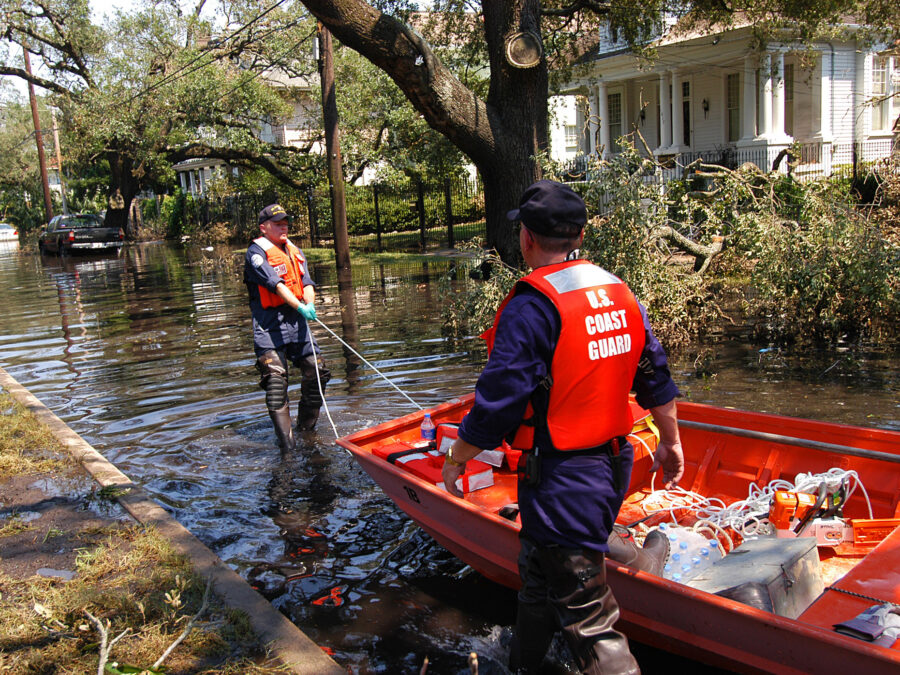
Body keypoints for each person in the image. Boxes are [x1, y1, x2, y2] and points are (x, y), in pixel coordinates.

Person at [442, 180, 684, 675]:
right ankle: (524, 667)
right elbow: (654, 374)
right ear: (578, 234)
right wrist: (672, 442)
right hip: (611, 461)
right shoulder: (617, 290)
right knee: (537, 579)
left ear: (527, 238)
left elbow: (499, 400)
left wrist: (458, 456)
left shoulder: (533, 304)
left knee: (588, 615)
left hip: (563, 477)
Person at [244, 203, 330, 452]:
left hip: (296, 323)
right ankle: (287, 446)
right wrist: (299, 306)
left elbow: (306, 281)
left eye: (286, 223)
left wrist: (310, 304)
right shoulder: (256, 254)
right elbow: (276, 285)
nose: (284, 227)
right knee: (275, 380)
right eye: (278, 224)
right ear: (264, 228)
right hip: (269, 325)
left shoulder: (293, 249)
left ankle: (306, 432)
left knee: (318, 371)